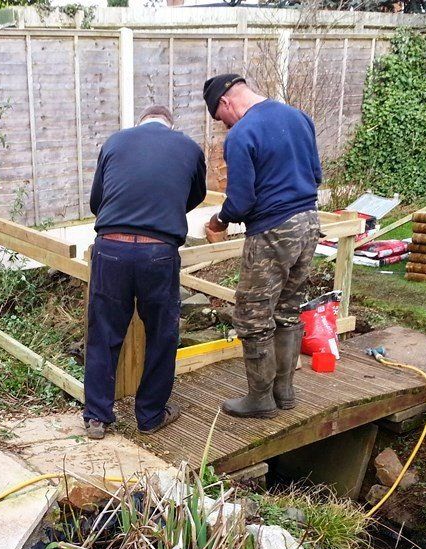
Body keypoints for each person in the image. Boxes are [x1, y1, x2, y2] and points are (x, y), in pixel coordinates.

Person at [201, 74, 323, 418]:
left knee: (252, 314)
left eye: (219, 118)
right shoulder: (298, 117)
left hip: (273, 229)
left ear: (225, 102)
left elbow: (240, 201)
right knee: (287, 308)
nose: (223, 125)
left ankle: (260, 399)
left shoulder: (242, 134)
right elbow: (315, 175)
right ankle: (284, 391)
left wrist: (219, 221)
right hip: (309, 223)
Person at [83, 105, 207, 440]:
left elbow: (98, 201)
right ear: (169, 125)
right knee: (162, 335)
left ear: (140, 123)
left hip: (111, 248)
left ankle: (97, 417)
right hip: (158, 252)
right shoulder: (189, 148)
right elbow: (195, 195)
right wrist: (163, 207)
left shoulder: (113, 143)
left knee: (104, 333)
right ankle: (150, 415)